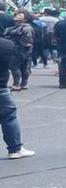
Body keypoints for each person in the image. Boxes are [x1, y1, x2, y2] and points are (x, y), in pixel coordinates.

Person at [0, 30, 34, 158]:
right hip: (1, 86)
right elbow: (13, 64)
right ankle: (15, 149)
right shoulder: (6, 44)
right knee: (8, 117)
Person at [6, 10, 35, 90]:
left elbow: (28, 41)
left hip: (20, 50)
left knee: (15, 66)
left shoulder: (25, 28)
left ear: (25, 19)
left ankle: (17, 84)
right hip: (20, 50)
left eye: (20, 15)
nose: (17, 16)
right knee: (24, 67)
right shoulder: (15, 27)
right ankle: (23, 83)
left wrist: (23, 47)